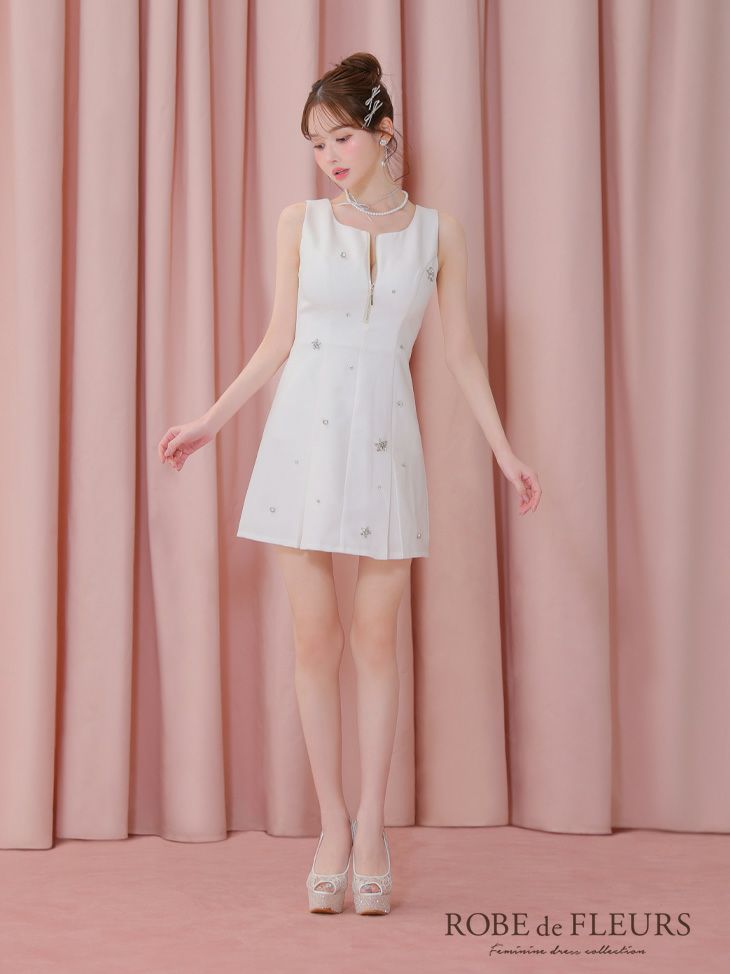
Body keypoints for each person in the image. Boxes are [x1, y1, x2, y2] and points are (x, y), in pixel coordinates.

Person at [157, 52, 541, 916]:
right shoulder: (299, 222)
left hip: (384, 443)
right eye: (316, 143)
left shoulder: (438, 233)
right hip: (301, 441)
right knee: (314, 641)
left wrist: (506, 453)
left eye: (340, 138)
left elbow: (460, 353)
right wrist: (209, 423)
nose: (328, 156)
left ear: (383, 132)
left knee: (375, 640)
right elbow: (277, 341)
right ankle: (331, 826)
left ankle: (373, 829)